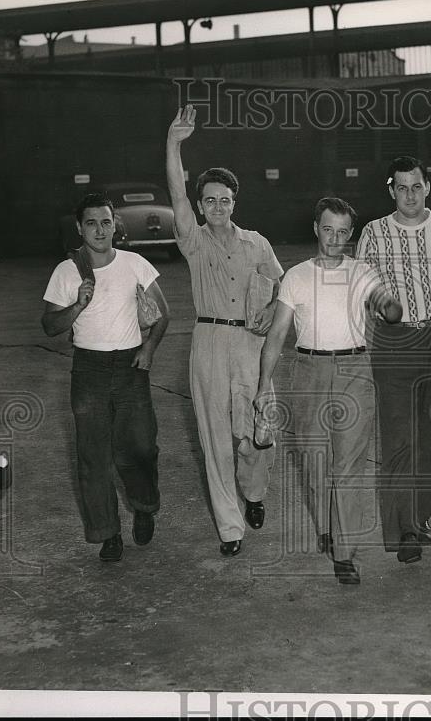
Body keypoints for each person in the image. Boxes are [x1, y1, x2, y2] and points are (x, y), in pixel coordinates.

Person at [256, 198, 402, 585]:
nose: (334, 238)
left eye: (342, 232)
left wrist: (390, 306)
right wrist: (261, 388)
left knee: (349, 467)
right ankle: (328, 525)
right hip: (308, 371)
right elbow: (275, 337)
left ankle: (344, 551)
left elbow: (386, 302)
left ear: (350, 235)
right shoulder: (297, 276)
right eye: (328, 229)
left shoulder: (362, 272)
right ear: (315, 228)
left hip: (355, 370)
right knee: (315, 462)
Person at [166, 104, 284, 557]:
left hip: (253, 348)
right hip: (210, 343)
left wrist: (271, 307)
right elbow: (175, 193)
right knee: (215, 439)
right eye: (209, 200)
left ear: (236, 202)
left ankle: (253, 492)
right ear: (200, 206)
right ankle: (230, 527)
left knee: (261, 430)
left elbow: (282, 290)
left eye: (225, 199)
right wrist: (174, 144)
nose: (217, 206)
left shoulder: (258, 243)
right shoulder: (193, 242)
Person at [355, 155, 431, 564]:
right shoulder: (373, 233)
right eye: (401, 187)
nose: (409, 194)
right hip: (394, 341)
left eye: (416, 186)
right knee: (397, 438)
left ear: (428, 187)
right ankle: (402, 530)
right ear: (391, 191)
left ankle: (420, 516)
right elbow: (362, 290)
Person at [41, 192, 170, 563]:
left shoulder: (135, 264)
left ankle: (144, 505)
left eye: (107, 222)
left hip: (131, 368)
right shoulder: (66, 272)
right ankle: (107, 533)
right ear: (80, 228)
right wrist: (77, 305)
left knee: (141, 448)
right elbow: (49, 326)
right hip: (89, 371)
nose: (100, 230)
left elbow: (164, 315)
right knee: (93, 458)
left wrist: (148, 350)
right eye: (92, 223)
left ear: (116, 225)